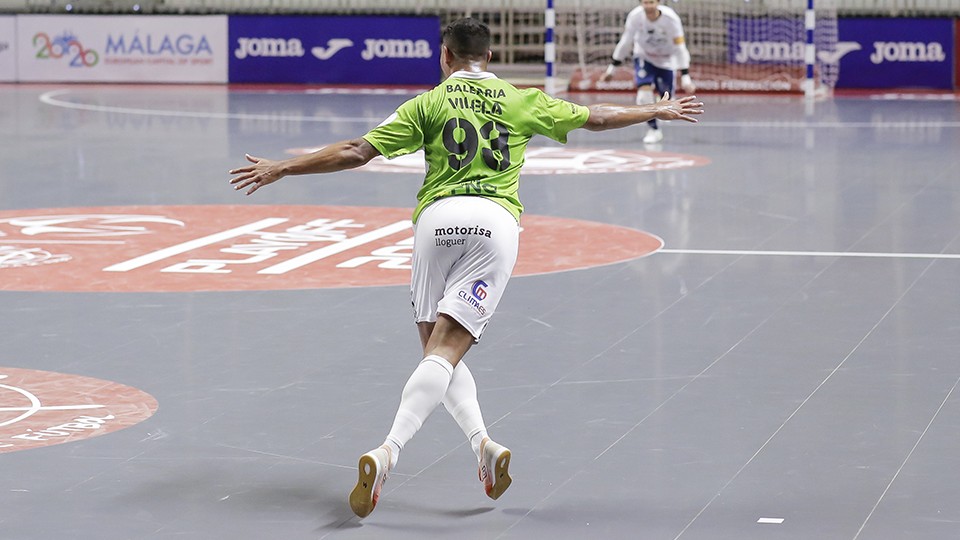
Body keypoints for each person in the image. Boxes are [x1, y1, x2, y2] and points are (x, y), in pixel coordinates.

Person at [228, 17, 703, 519]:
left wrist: (280, 167)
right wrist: (657, 107)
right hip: (494, 225)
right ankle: (424, 450)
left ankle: (448, 448)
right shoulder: (523, 99)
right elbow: (597, 118)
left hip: (437, 223)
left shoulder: (429, 102)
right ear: (490, 58)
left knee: (435, 352)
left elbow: (355, 152)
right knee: (446, 353)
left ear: (445, 57)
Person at [602, 0, 697, 144]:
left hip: (666, 59)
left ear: (658, 3)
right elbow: (626, 41)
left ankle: (662, 105)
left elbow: (680, 48)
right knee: (643, 96)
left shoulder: (671, 19)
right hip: (644, 56)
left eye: (651, 2)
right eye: (645, 2)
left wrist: (685, 76)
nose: (648, 6)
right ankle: (653, 129)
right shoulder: (635, 17)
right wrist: (612, 69)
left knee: (666, 96)